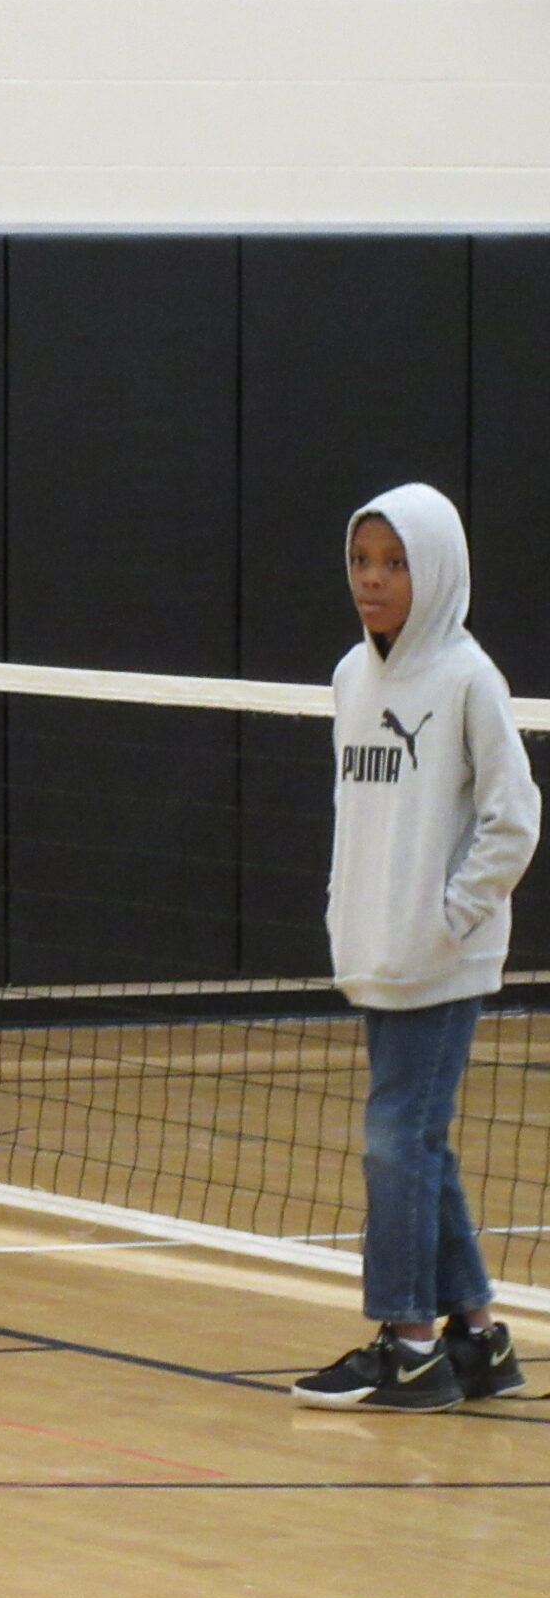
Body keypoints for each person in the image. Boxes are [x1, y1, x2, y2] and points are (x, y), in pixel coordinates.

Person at [293, 483, 540, 1412]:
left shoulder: (470, 679)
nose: (373, 580)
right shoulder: (351, 679)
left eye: (394, 563)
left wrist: (450, 918)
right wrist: (346, 910)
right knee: (419, 1148)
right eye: (362, 561)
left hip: (443, 960)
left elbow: (514, 821)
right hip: (378, 951)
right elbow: (354, 816)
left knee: (395, 1141)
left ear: (433, 569)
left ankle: (407, 1343)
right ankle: (479, 1338)